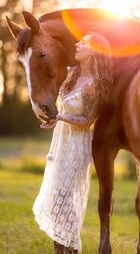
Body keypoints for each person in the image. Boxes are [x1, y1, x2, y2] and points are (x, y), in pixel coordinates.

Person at [33, 33, 113, 253]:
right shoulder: (71, 75)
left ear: (95, 51)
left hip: (77, 145)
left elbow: (87, 121)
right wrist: (53, 120)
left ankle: (71, 247)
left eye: (84, 43)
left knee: (65, 197)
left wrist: (60, 118)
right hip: (61, 142)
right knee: (56, 195)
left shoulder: (93, 84)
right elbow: (65, 109)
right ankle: (61, 248)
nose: (77, 44)